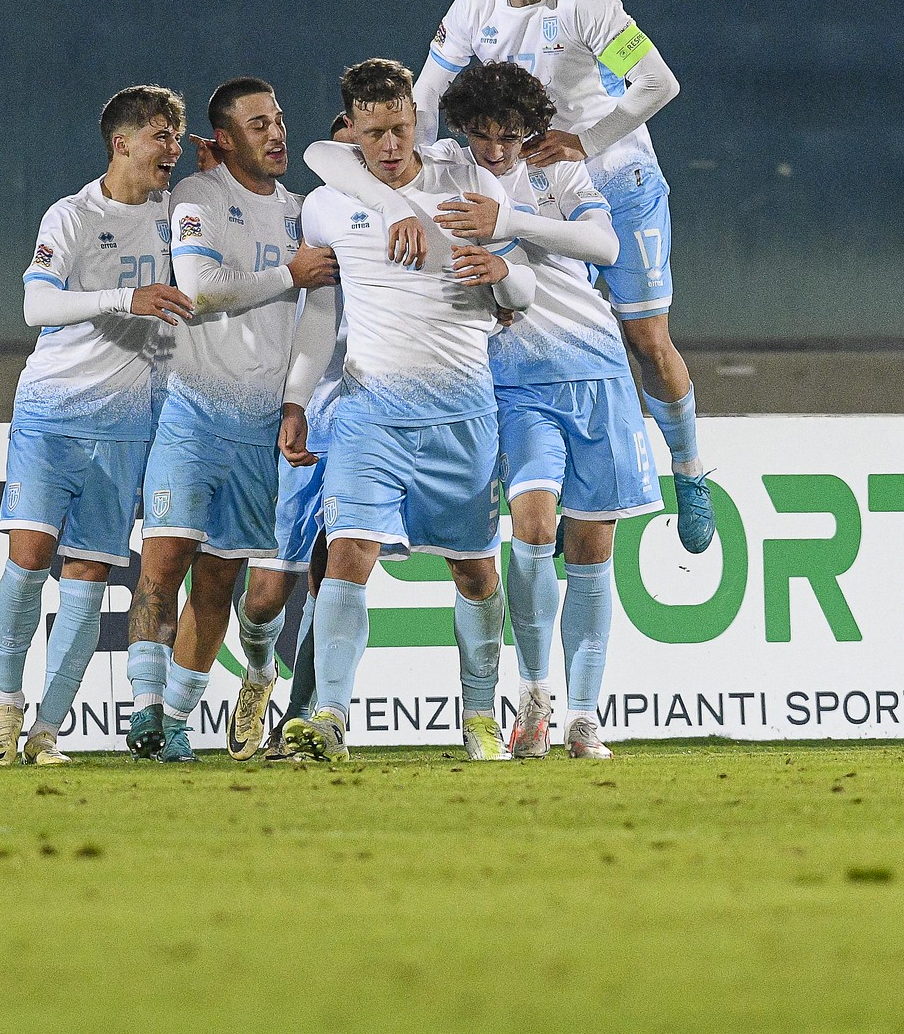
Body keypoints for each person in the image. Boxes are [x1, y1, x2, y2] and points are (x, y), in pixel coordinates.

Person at [310, 59, 656, 759]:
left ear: (532, 130)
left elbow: (607, 246)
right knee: (530, 527)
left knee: (591, 549)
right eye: (483, 135)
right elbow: (327, 154)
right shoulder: (447, 169)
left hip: (595, 369)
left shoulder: (556, 174)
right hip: (513, 385)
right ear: (462, 129)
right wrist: (397, 207)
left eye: (512, 136)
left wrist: (511, 222)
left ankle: (582, 715)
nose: (497, 150)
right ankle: (534, 691)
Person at [414, 0, 715, 555]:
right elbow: (426, 98)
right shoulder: (472, 7)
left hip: (617, 178)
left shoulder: (589, 2)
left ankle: (689, 469)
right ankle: (534, 482)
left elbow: (657, 83)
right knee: (509, 317)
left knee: (645, 338)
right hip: (530, 183)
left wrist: (587, 138)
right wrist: (419, 180)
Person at [278, 58, 537, 763]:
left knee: (474, 573)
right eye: (373, 133)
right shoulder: (329, 202)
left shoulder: (467, 181)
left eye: (399, 127)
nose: (388, 146)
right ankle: (329, 716)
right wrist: (297, 399)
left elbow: (521, 295)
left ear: (416, 118)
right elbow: (321, 308)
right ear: (353, 130)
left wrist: (507, 275)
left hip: (462, 412)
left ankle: (480, 715)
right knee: (348, 558)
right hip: (369, 411)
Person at [123, 78, 337, 764]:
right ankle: (145, 710)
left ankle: (177, 724)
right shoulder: (198, 198)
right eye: (256, 125)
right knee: (162, 564)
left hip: (256, 426)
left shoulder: (305, 214)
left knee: (219, 586)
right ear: (222, 140)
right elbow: (198, 290)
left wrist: (297, 400)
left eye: (278, 119)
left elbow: (319, 320)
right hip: (191, 411)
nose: (276, 135)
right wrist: (288, 276)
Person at [0, 86, 194, 767]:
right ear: (121, 142)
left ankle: (47, 730)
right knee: (30, 557)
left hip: (127, 424)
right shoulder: (72, 215)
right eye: (162, 135)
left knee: (87, 577)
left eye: (179, 136)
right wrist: (122, 299)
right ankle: (6, 703)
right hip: (51, 412)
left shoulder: (178, 215)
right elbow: (34, 305)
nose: (173, 149)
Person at [233, 115, 355, 762]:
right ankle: (258, 670)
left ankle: (303, 720)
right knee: (265, 598)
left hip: (361, 423)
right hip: (298, 414)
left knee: (334, 576)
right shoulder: (305, 220)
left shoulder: (405, 220)